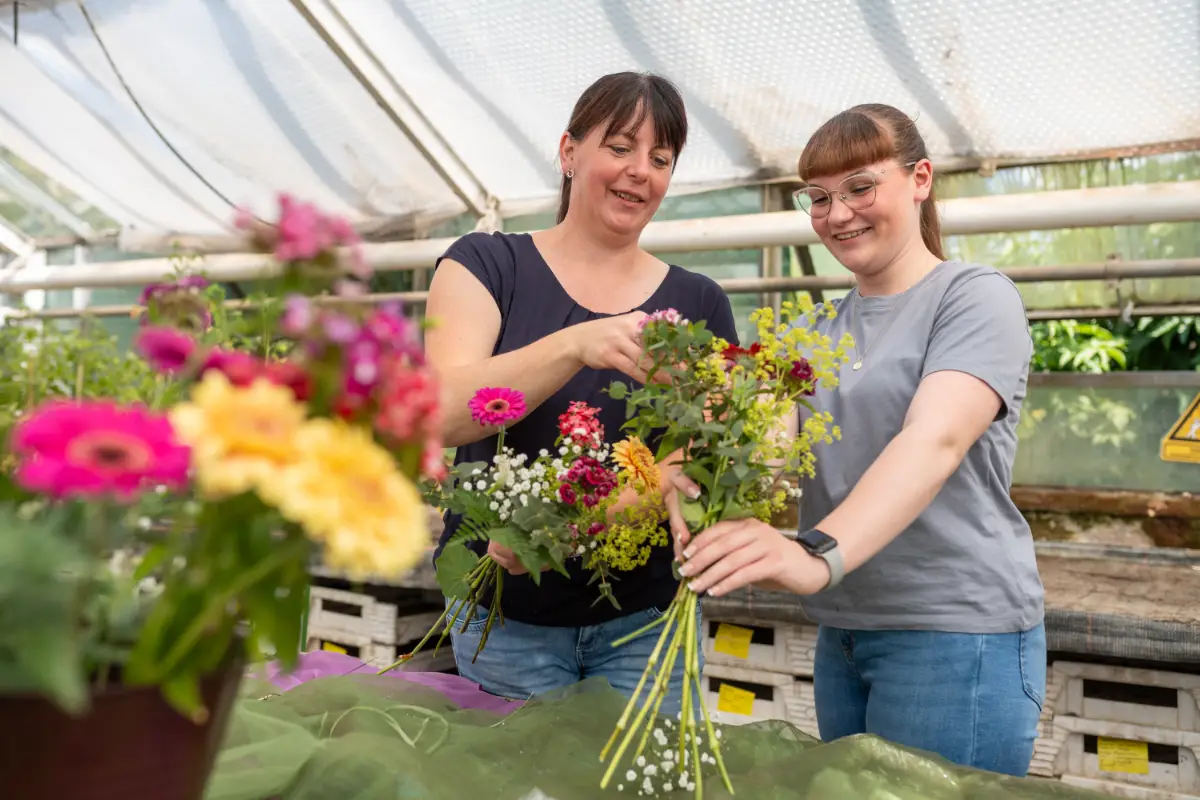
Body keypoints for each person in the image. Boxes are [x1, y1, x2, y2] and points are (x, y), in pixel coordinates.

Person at [663, 103, 1046, 777]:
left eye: (860, 188)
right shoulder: (817, 330)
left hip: (954, 636)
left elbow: (935, 441)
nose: (838, 214)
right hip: (844, 633)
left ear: (919, 178)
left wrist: (817, 556)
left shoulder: (973, 298)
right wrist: (699, 449)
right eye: (818, 197)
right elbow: (775, 454)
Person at [423, 72, 739, 710]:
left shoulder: (698, 301)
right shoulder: (487, 265)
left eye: (660, 158)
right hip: (506, 624)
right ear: (569, 153)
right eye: (620, 147)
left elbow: (704, 451)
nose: (639, 172)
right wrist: (574, 345)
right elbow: (443, 413)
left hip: (646, 622)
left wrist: (579, 527)